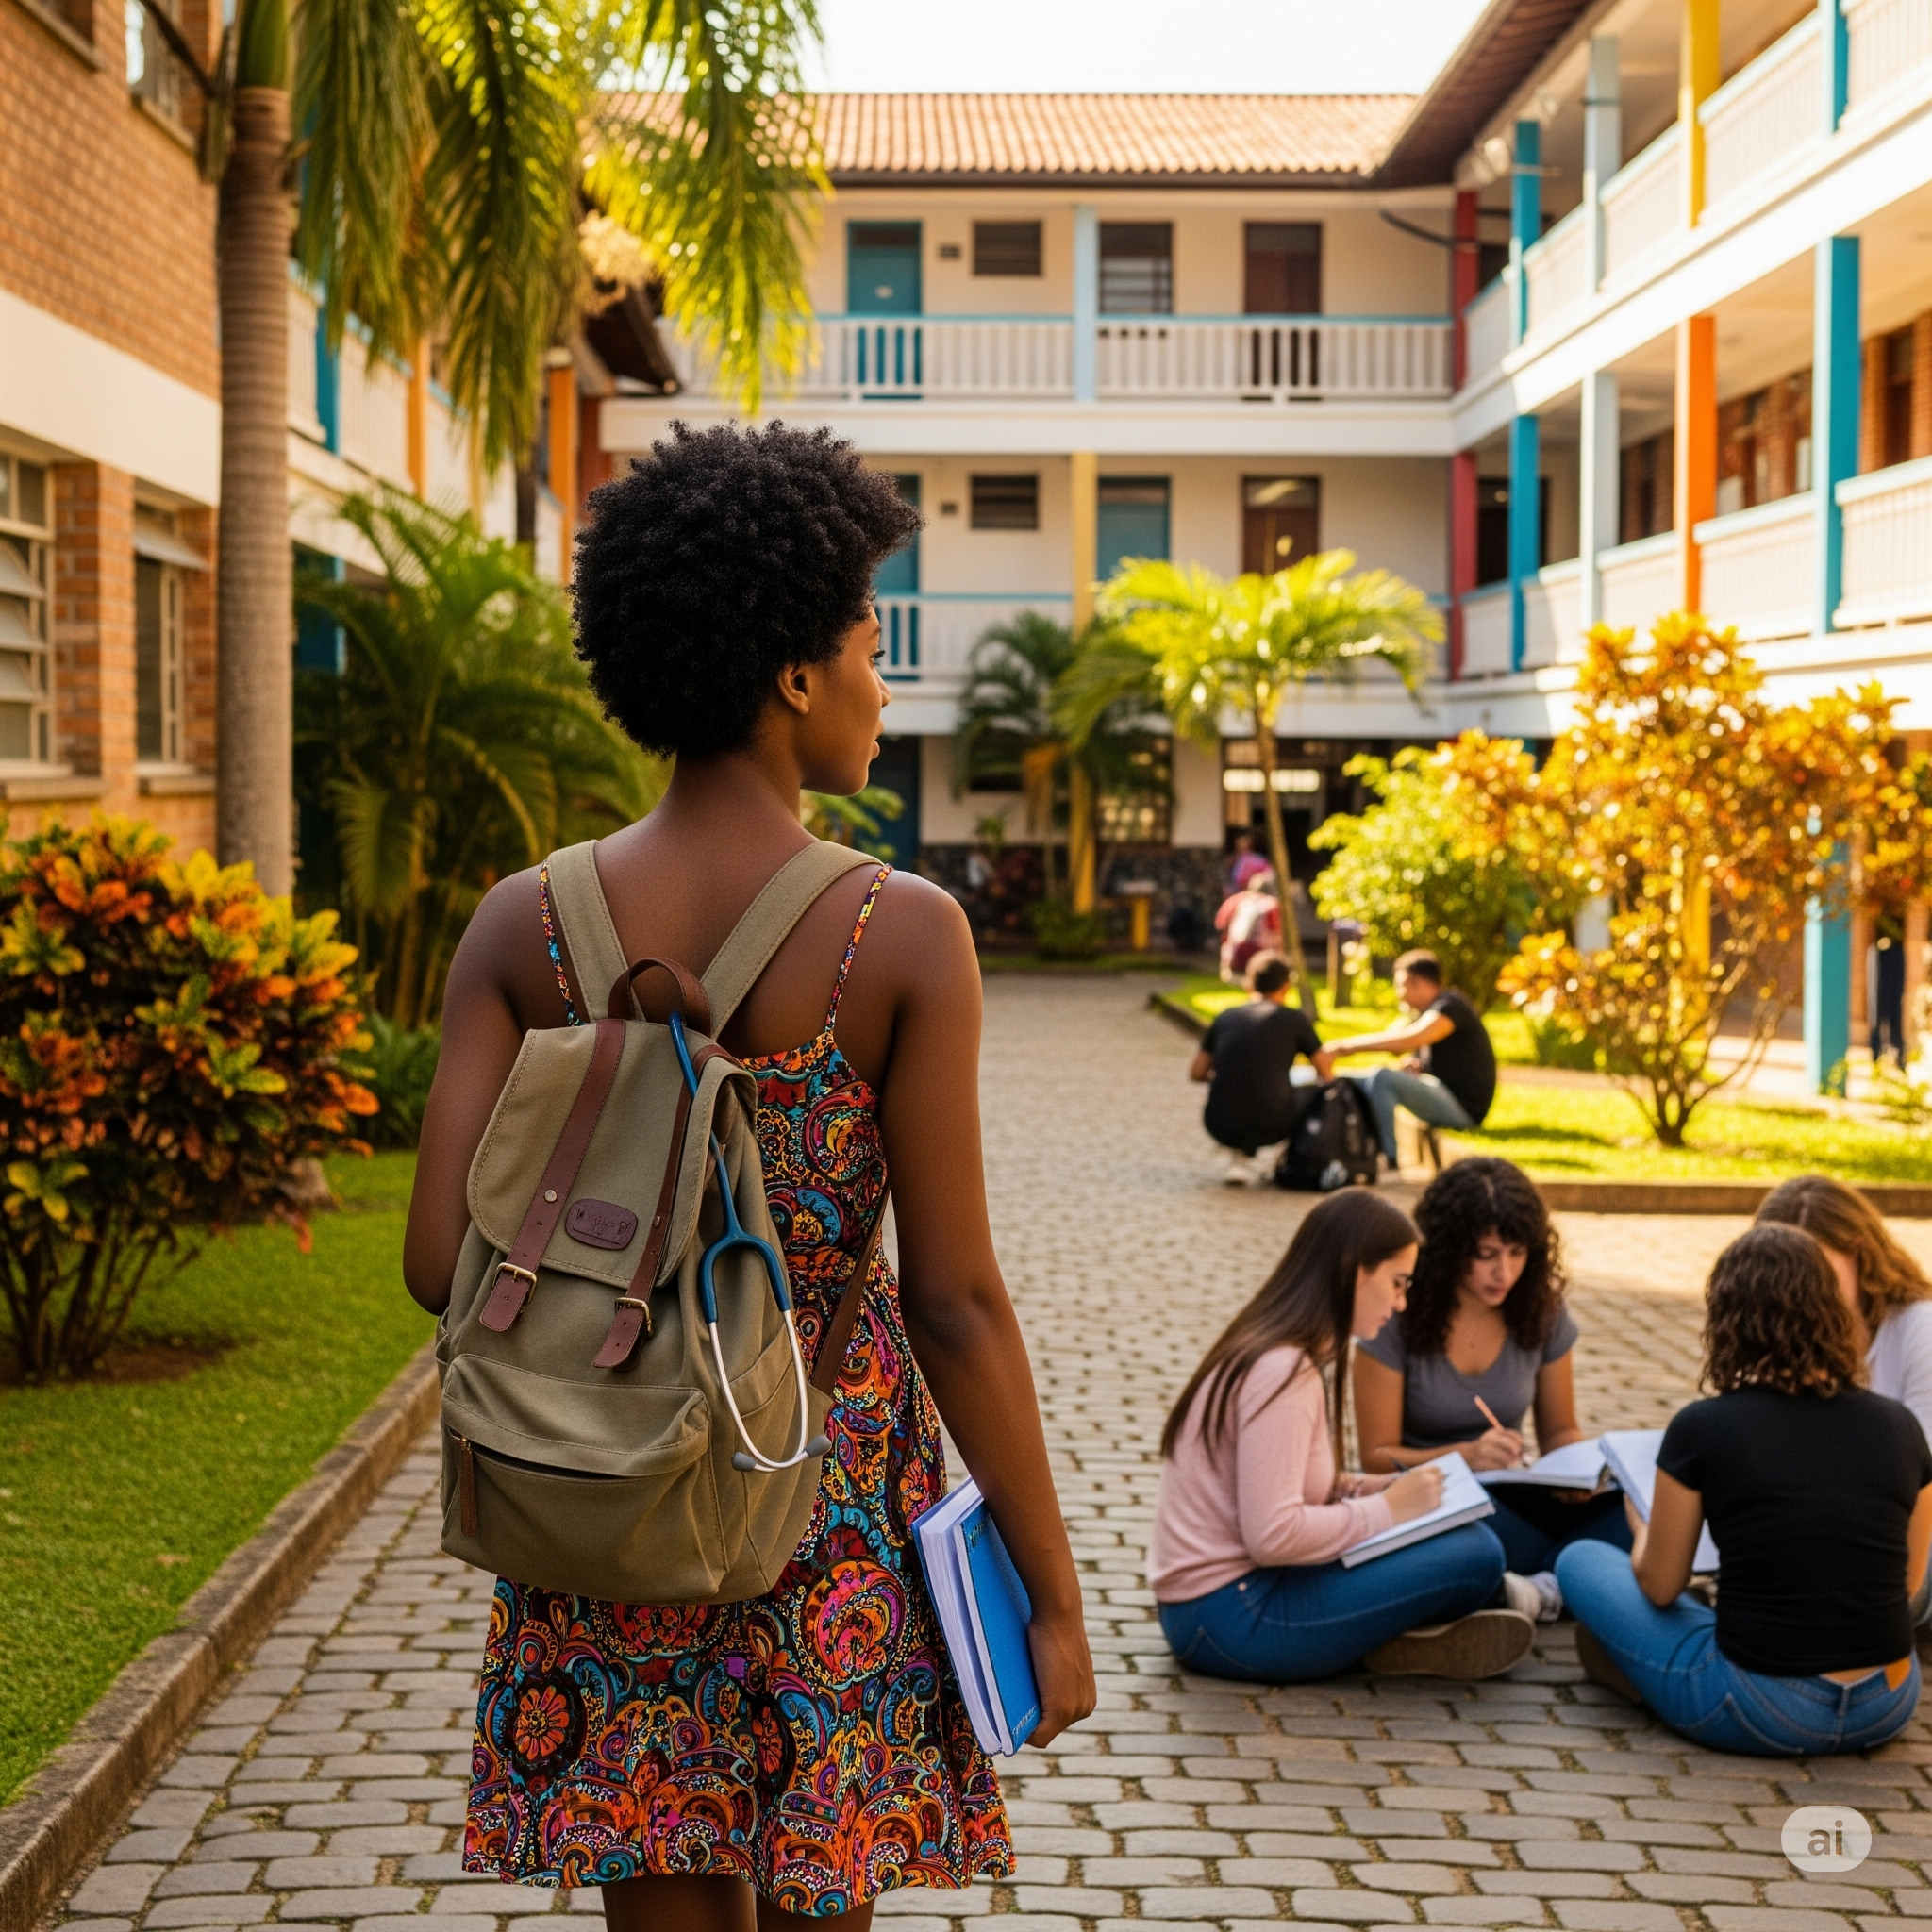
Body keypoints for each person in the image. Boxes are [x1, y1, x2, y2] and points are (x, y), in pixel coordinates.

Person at [403, 422, 1095, 1932]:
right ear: (792, 675)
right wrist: (1049, 1588)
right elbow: (958, 1305)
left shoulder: (519, 926)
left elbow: (432, 1262)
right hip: (818, 1497)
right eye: (867, 643)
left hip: (607, 1487)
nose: (880, 679)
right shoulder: (898, 935)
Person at [1557, 1224, 1932, 1757]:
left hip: (1767, 1706)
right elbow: (1910, 1585)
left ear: (1727, 1321)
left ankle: (1638, 1666)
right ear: (1831, 1311)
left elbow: (1661, 1585)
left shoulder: (1704, 1428)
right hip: (1888, 1701)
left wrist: (1642, 1527)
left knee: (1581, 1560)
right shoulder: (1900, 1427)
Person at [1150, 1190, 1535, 1684]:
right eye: (1397, 1283)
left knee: (1465, 1534)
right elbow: (1272, 1535)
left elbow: (1299, 1487)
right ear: (1355, 1271)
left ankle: (1392, 1638)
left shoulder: (1288, 1354)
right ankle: (1467, 1610)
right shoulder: (1283, 1370)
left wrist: (1375, 1489)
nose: (1401, 1302)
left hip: (1232, 1601)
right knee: (1476, 1554)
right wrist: (1390, 1511)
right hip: (1227, 1617)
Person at [1353, 1158, 1627, 1624]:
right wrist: (1467, 1456)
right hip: (1436, 1499)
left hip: (1516, 1494)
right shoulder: (1396, 1313)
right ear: (1449, 1249)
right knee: (1480, 1530)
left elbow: (1560, 1428)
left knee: (1634, 1512)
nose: (1504, 1271)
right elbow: (1376, 1457)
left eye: (1517, 1253)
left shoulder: (1540, 1309)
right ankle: (1573, 1577)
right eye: (1487, 1254)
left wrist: (1585, 1476)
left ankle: (1530, 1587)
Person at [1757, 1174, 1932, 1624]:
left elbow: (1916, 1487)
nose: (1802, 1299)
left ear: (1860, 1256)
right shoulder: (1778, 1333)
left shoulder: (1919, 1329)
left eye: (1819, 1277)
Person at [1314, 951, 1495, 1167]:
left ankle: (1387, 1157)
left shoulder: (1450, 1006)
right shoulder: (1430, 1011)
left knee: (1382, 1077)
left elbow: (1409, 1039)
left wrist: (1345, 1047)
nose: (1398, 993)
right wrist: (1417, 1067)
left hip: (1463, 1110)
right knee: (1363, 1078)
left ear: (1416, 982)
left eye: (1400, 985)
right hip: (1442, 1094)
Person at [1191, 951, 1323, 1186]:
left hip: (1219, 1121)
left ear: (1249, 983)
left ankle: (1239, 1157)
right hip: (1274, 1123)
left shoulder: (1225, 1018)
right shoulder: (1294, 1020)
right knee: (1316, 1091)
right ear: (1286, 986)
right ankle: (1295, 1157)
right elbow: (1325, 1070)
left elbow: (1197, 1072)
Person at [1214, 866, 1282, 984]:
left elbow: (1220, 924)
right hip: (1262, 950)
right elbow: (1275, 930)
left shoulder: (1236, 900)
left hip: (1236, 948)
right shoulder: (1271, 903)